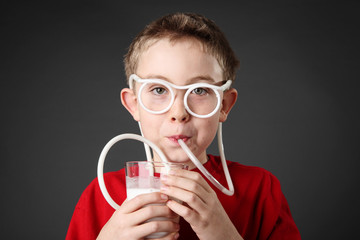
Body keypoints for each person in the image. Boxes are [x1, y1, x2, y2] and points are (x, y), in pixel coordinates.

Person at [66, 12, 301, 240]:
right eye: (159, 90)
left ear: (224, 105)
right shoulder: (101, 194)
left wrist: (225, 235)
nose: (179, 113)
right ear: (134, 104)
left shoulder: (260, 190)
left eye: (199, 90)